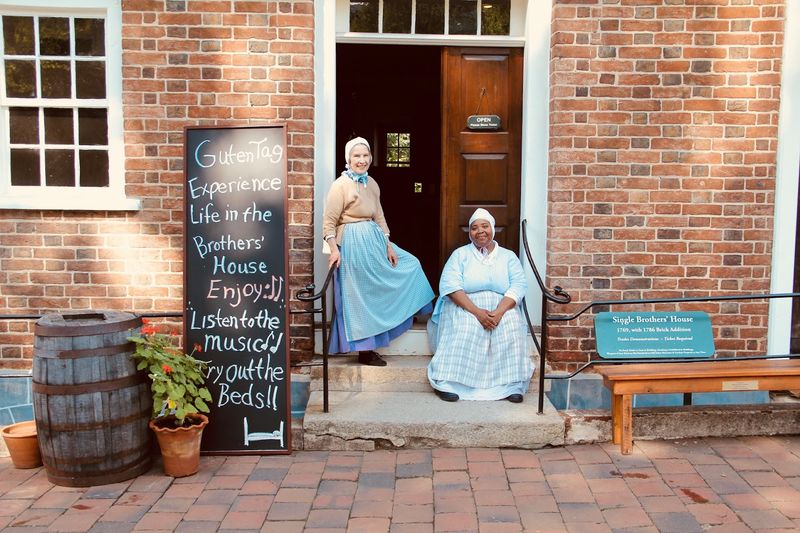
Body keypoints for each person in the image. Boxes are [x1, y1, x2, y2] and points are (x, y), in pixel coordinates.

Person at [323, 136, 434, 366]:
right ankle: (365, 351)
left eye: (365, 156)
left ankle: (402, 312)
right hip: (352, 245)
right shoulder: (340, 185)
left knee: (410, 264)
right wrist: (334, 250)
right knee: (361, 296)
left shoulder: (372, 183)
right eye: (357, 156)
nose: (361, 160)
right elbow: (329, 222)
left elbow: (380, 217)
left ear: (371, 157)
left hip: (374, 242)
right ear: (348, 159)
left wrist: (389, 245)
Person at [427, 208, 533, 402]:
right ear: (470, 233)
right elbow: (450, 286)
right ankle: (450, 383)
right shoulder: (460, 255)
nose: (480, 231)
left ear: (492, 228)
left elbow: (519, 285)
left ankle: (510, 385)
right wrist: (477, 312)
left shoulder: (508, 256)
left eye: (485, 226)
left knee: (510, 325)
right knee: (466, 326)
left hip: (501, 307)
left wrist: (499, 312)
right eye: (474, 228)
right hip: (467, 305)